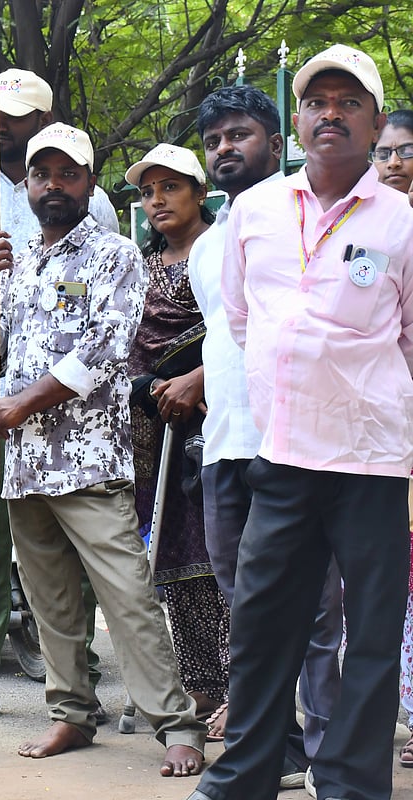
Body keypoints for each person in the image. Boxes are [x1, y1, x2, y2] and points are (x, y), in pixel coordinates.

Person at [187, 45, 413, 800]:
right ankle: (245, 774)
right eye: (318, 101)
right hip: (280, 452)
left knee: (370, 635)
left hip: (371, 459)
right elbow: (245, 320)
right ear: (299, 120)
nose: (331, 113)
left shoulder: (402, 220)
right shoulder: (254, 211)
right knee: (261, 623)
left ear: (374, 123)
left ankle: (351, 785)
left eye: (350, 102)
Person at [0, 122, 205, 777]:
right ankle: (71, 713)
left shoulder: (115, 254)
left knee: (128, 596)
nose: (52, 185)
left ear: (88, 182)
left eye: (66, 173)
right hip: (25, 464)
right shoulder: (16, 257)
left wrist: (22, 404)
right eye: (41, 175)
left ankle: (176, 723)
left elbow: (105, 350)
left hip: (90, 459)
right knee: (51, 604)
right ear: (28, 185)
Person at [0, 68, 119, 723]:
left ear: (44, 119)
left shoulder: (89, 200)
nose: (1, 124)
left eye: (16, 114)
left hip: (58, 401)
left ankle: (79, 675)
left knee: (66, 539)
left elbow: (100, 311)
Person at [187, 85, 343, 788]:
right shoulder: (208, 243)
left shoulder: (311, 218)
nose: (226, 148)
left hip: (298, 440)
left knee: (314, 607)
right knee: (246, 610)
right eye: (215, 139)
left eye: (240, 134)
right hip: (225, 444)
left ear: (276, 143)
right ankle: (275, 751)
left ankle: (333, 754)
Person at [122, 144, 230, 722]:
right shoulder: (139, 265)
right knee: (175, 558)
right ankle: (203, 687)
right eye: (146, 192)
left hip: (219, 421)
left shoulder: (224, 250)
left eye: (170, 188)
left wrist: (197, 380)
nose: (156, 201)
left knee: (226, 557)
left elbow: (238, 327)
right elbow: (127, 344)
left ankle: (244, 690)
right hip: (154, 427)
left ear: (199, 190)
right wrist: (149, 388)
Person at [376, 109, 413, 770]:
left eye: (407, 150)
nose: (396, 163)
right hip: (381, 432)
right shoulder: (368, 230)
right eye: (384, 153)